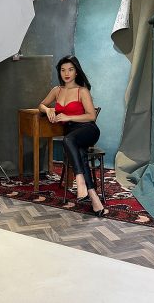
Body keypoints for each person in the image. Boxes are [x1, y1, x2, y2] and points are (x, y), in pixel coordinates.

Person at [38, 55, 108, 217]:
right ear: (59, 72)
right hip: (72, 134)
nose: (66, 73)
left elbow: (91, 116)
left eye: (70, 69)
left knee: (68, 140)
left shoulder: (82, 91)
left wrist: (68, 117)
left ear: (76, 72)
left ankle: (80, 179)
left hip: (88, 130)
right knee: (80, 152)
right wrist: (48, 110)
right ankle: (93, 197)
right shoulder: (57, 91)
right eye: (63, 70)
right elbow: (41, 104)